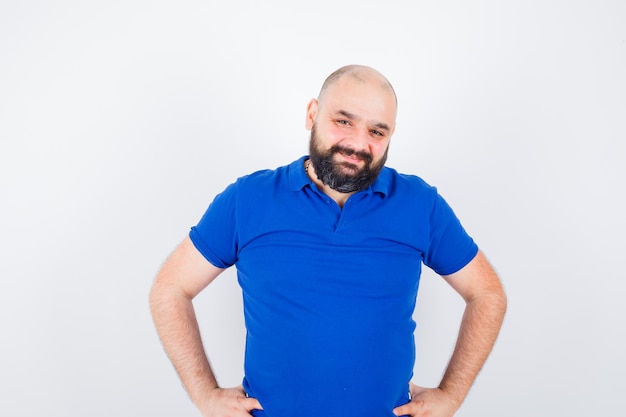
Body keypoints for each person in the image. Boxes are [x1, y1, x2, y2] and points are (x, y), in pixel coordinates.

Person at [149, 64, 507, 417]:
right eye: (344, 121)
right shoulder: (248, 199)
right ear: (312, 114)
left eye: (377, 131)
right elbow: (170, 289)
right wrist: (205, 395)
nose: (358, 143)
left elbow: (487, 294)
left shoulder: (420, 204)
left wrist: (451, 395)